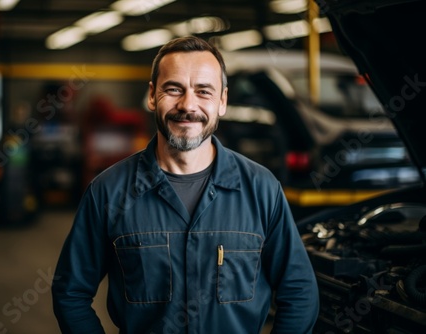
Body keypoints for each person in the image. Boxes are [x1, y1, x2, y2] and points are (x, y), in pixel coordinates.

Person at [52, 36, 319, 333]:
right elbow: (71, 293)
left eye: (203, 91)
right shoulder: (108, 192)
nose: (188, 105)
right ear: (152, 96)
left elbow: (299, 292)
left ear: (223, 102)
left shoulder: (262, 189)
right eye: (173, 89)